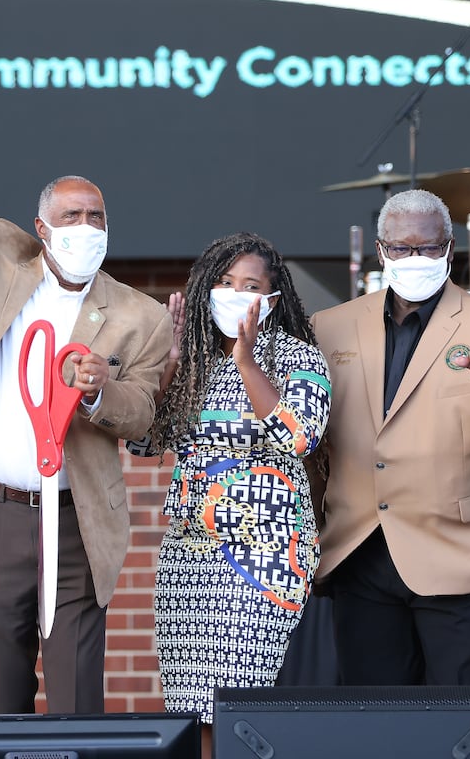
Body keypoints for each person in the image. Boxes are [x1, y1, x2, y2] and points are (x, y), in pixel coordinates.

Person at [0, 79, 173, 714]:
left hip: (77, 519)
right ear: (41, 228)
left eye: (96, 216)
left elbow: (144, 417)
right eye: (71, 217)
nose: (86, 228)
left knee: (78, 698)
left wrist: (102, 392)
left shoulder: (140, 315)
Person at [310, 189, 470, 698]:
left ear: (449, 249)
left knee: (469, 728)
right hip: (363, 553)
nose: (415, 259)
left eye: (428, 248)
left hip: (467, 559)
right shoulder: (329, 328)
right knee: (375, 727)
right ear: (381, 251)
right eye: (402, 249)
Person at [140, 232, 329, 751]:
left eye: (250, 285)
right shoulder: (194, 360)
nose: (234, 293)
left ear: (270, 300)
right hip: (189, 558)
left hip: (264, 556)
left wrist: (247, 362)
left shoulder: (297, 358)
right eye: (224, 282)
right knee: (194, 706)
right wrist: (170, 361)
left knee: (245, 708)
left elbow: (300, 435)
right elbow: (145, 439)